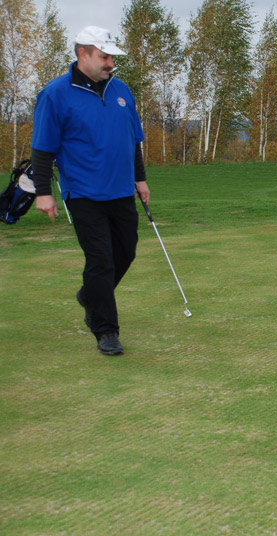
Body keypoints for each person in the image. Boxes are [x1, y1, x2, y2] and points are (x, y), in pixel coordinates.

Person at [30, 26, 149, 356]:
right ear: (83, 54)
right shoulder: (55, 94)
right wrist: (43, 192)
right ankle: (105, 329)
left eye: (112, 57)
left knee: (126, 252)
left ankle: (90, 295)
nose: (110, 63)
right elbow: (42, 148)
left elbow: (132, 141)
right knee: (101, 262)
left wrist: (140, 179)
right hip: (83, 193)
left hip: (122, 189)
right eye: (104, 56)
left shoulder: (121, 90)